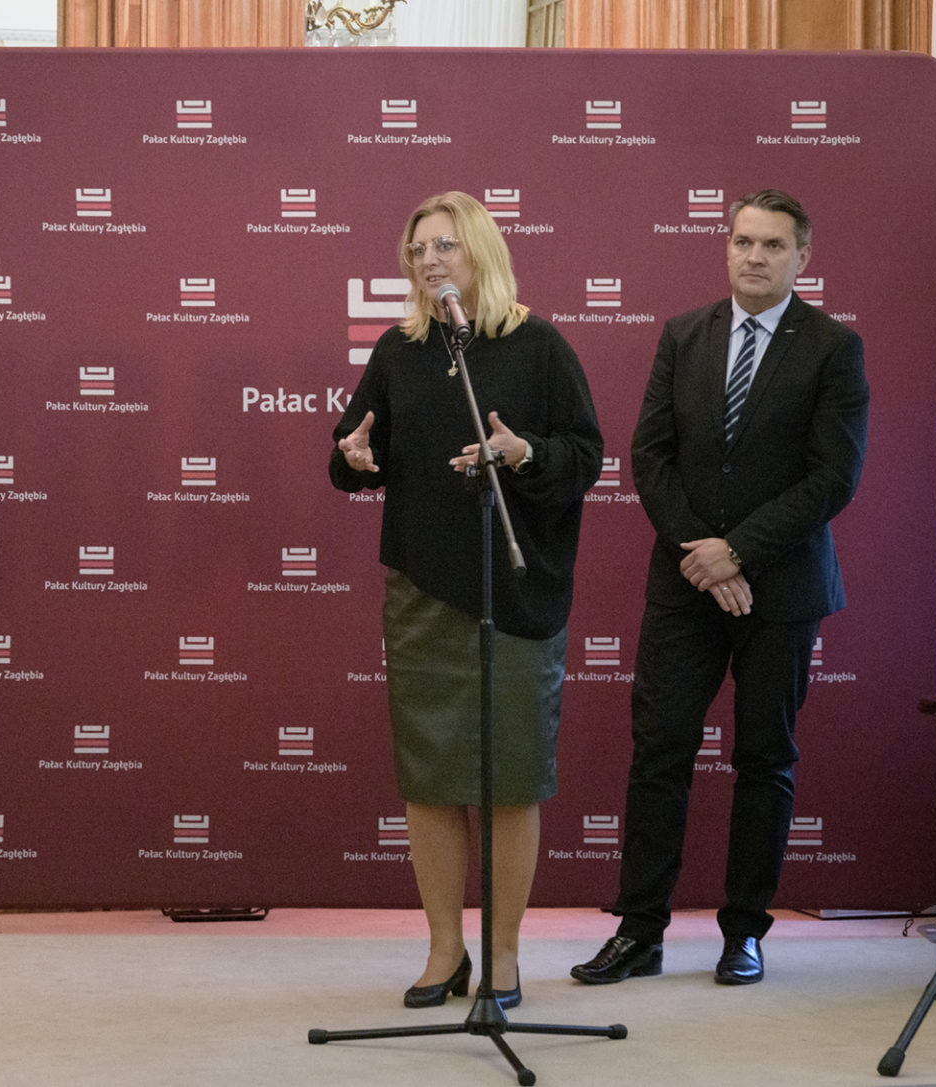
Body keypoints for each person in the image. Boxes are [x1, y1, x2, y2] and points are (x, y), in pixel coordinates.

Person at [571, 189, 868, 988]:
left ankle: (745, 934)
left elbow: (834, 476)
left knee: (765, 758)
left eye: (773, 245)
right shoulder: (683, 334)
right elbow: (650, 455)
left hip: (784, 588)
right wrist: (702, 556)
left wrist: (737, 552)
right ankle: (639, 933)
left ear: (803, 257)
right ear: (726, 246)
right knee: (659, 751)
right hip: (685, 584)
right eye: (743, 241)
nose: (754, 256)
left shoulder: (833, 348)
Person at [330, 191, 602, 1009]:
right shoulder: (399, 350)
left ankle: (503, 953)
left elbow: (585, 455)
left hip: (515, 590)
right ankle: (445, 948)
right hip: (422, 590)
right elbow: (352, 454)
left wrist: (523, 452)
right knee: (431, 777)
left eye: (444, 246)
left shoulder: (539, 345)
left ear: (480, 252)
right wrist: (354, 456)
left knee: (509, 778)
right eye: (418, 250)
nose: (429, 261)